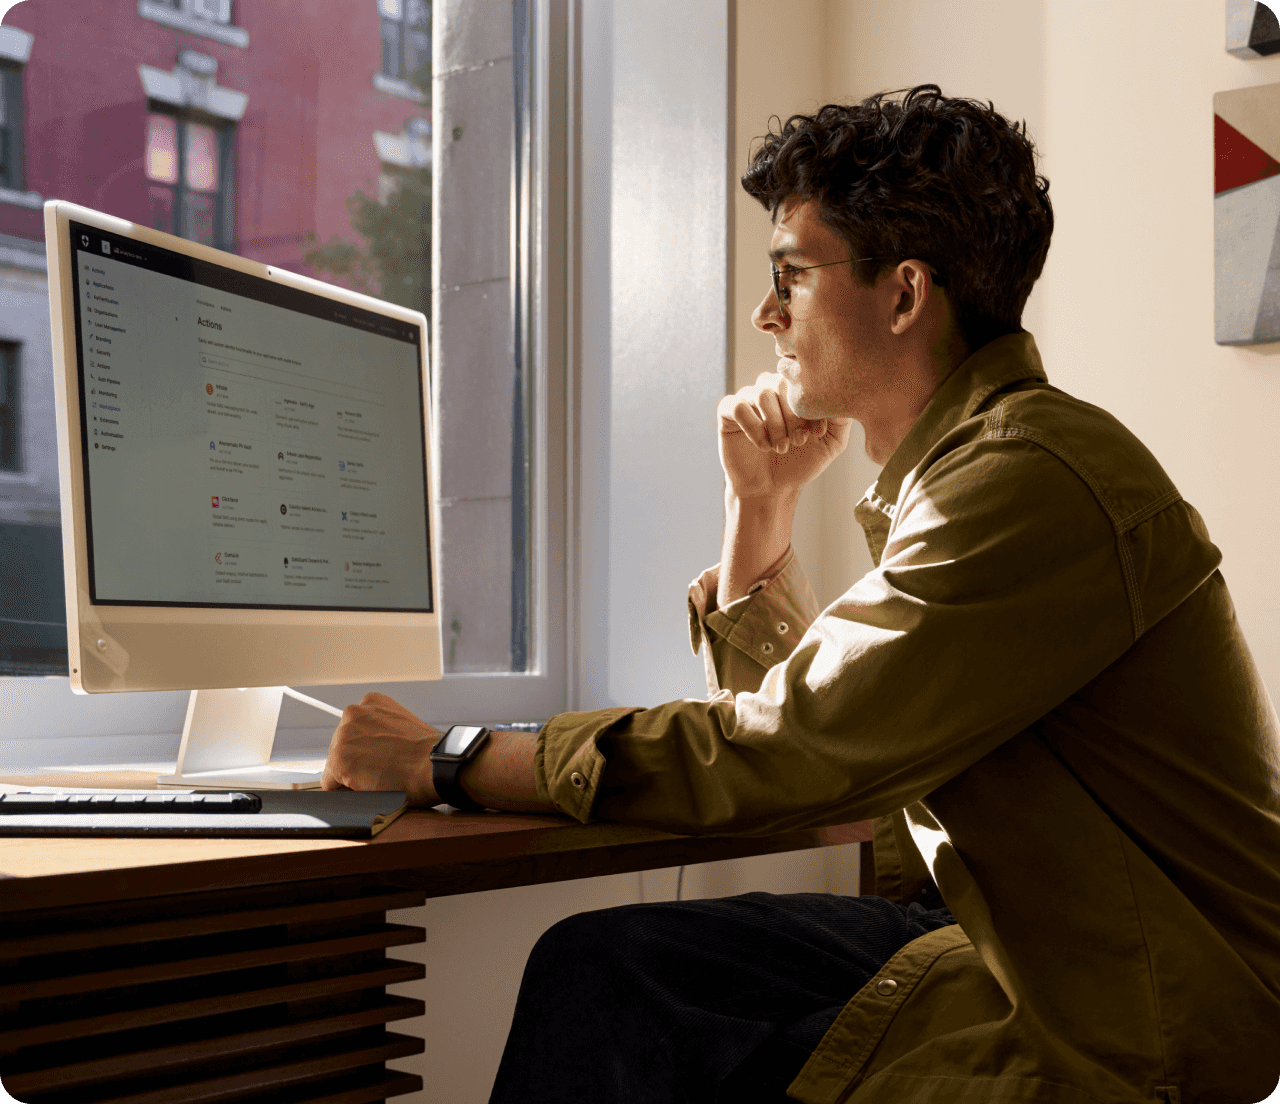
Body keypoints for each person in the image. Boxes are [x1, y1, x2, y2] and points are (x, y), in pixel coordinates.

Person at [322, 86, 1280, 1104]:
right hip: (1026, 951)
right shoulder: (977, 471)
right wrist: (759, 510)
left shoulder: (1026, 479)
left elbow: (793, 752)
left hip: (1147, 1017)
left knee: (615, 996)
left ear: (903, 295)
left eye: (791, 275)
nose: (763, 314)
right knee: (614, 966)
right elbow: (843, 736)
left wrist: (447, 757)